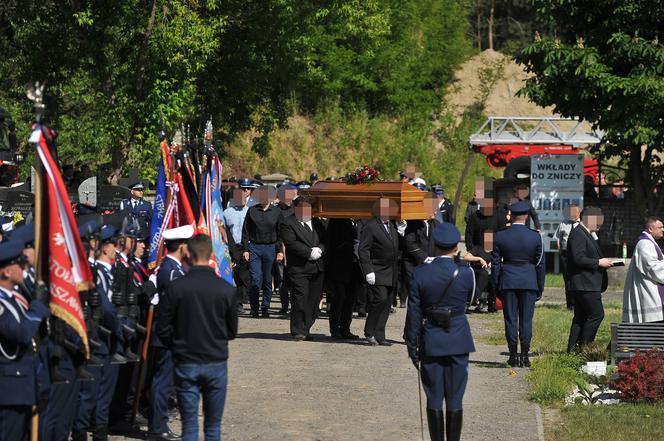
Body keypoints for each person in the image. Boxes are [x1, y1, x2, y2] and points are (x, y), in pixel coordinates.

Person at [157, 234, 238, 441]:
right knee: (213, 426)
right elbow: (232, 331)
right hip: (215, 360)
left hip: (186, 361)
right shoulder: (226, 290)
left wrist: (177, 345)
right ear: (211, 254)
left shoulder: (177, 288)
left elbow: (163, 328)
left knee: (189, 425)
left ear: (188, 255)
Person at [403, 223, 475, 441]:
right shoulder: (466, 272)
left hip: (432, 337)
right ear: (456, 246)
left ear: (433, 244)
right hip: (459, 336)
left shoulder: (421, 273)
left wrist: (412, 345)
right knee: (455, 398)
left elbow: (413, 313)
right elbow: (469, 301)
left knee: (434, 396)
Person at [0, 239, 50, 441]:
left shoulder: (12, 298)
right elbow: (20, 333)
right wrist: (37, 306)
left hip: (22, 384)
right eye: (18, 264)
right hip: (9, 389)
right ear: (6, 272)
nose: (23, 268)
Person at [149, 224, 193, 441]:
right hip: (168, 334)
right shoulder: (170, 271)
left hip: (171, 333)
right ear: (182, 246)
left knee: (165, 382)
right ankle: (157, 427)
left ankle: (159, 424)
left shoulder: (173, 268)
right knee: (162, 383)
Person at [492, 201, 545, 367]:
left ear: (511, 216)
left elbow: (495, 265)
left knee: (510, 320)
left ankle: (513, 356)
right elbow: (540, 264)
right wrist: (539, 286)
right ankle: (525, 356)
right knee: (526, 320)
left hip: (508, 281)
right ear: (527, 217)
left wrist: (496, 285)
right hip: (529, 281)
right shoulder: (535, 236)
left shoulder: (500, 235)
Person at [566, 206, 612, 352]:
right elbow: (578, 258)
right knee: (596, 315)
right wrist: (599, 262)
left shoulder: (584, 233)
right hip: (585, 284)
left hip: (584, 283)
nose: (600, 225)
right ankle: (585, 348)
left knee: (580, 318)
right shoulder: (578, 233)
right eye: (598, 221)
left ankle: (573, 350)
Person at [280, 197, 326, 340]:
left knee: (313, 300)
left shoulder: (317, 223)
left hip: (317, 267)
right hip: (299, 267)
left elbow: (325, 239)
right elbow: (290, 242)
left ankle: (306, 328)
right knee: (300, 298)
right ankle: (297, 330)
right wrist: (309, 253)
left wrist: (320, 249)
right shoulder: (287, 223)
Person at [358, 198, 400, 346]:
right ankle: (369, 332)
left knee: (387, 303)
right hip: (377, 269)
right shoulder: (371, 226)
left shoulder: (392, 226)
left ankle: (380, 335)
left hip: (391, 271)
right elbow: (363, 250)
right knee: (379, 300)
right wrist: (368, 270)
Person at [242, 185, 283, 318]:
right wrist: (245, 250)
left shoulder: (276, 212)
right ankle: (254, 308)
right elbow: (245, 232)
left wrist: (279, 251)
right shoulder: (252, 211)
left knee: (267, 279)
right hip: (254, 247)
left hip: (270, 248)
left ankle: (265, 307)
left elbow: (281, 232)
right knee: (255, 278)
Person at [401, 193, 441, 308]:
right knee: (416, 296)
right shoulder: (413, 223)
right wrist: (425, 258)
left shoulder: (436, 224)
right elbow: (409, 244)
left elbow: (439, 243)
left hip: (431, 265)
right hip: (413, 265)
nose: (435, 211)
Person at [623, 217, 664, 323]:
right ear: (650, 229)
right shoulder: (645, 244)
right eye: (660, 227)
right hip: (647, 289)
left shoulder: (650, 243)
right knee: (651, 324)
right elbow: (652, 267)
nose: (663, 229)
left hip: (650, 287)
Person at [326, 217, 360, 340]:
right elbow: (331, 243)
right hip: (339, 266)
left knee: (350, 300)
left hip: (355, 267)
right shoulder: (337, 220)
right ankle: (335, 328)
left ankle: (345, 328)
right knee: (339, 298)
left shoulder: (363, 221)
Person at [224, 186, 252, 314]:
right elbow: (222, 231)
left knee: (243, 276)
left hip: (245, 247)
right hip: (230, 247)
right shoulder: (226, 213)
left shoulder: (251, 212)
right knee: (231, 275)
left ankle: (239, 302)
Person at [274, 183, 298, 315]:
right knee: (282, 280)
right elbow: (276, 233)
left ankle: (295, 306)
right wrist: (280, 251)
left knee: (295, 280)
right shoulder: (277, 210)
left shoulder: (297, 209)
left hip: (295, 249)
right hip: (280, 249)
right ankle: (284, 306)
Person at [554, 205, 581, 310]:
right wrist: (559, 249)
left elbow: (592, 238)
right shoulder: (563, 223)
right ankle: (570, 304)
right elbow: (557, 237)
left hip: (579, 255)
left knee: (578, 279)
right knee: (568, 280)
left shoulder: (583, 224)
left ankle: (579, 304)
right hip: (566, 255)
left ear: (579, 213)